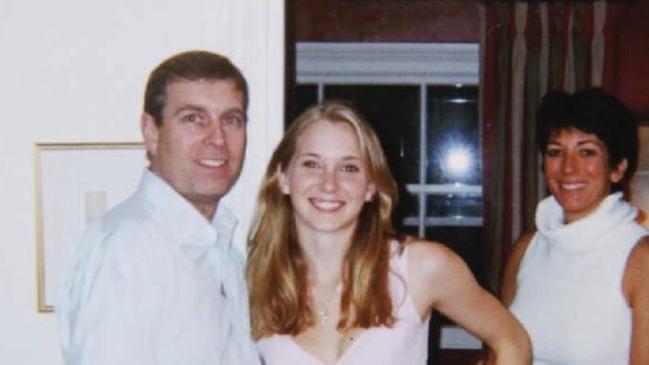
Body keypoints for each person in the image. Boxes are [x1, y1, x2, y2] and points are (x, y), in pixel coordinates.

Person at [247, 102, 531, 365]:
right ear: (283, 177)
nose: (329, 183)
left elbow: (512, 341)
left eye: (349, 168)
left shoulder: (420, 267)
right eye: (312, 164)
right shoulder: (251, 282)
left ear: (370, 186)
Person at [57, 50, 260, 365]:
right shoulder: (128, 248)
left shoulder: (222, 251)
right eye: (194, 119)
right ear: (151, 132)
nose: (218, 139)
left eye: (231, 120)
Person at [500, 88, 649, 364]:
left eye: (587, 152)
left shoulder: (641, 258)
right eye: (556, 152)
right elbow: (500, 351)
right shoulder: (526, 249)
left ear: (617, 168)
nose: (568, 168)